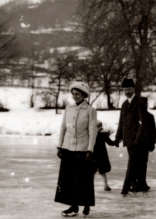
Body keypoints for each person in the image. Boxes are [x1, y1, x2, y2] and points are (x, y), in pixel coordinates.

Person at [55, 81, 97, 217]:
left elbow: (92, 131)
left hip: (83, 150)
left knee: (83, 179)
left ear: (84, 95)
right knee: (69, 180)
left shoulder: (90, 110)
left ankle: (86, 204)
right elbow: (63, 128)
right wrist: (60, 146)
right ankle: (73, 206)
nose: (75, 96)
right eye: (73, 94)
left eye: (77, 94)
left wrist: (90, 149)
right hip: (68, 149)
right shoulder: (68, 108)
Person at [114, 78, 147, 196]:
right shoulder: (124, 104)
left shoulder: (139, 103)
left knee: (132, 164)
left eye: (129, 89)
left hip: (137, 141)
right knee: (135, 163)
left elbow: (143, 123)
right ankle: (139, 185)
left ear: (134, 89)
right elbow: (121, 123)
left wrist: (138, 139)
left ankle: (125, 188)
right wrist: (118, 138)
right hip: (128, 140)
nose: (127, 91)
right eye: (124, 89)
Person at [130, 97, 156, 193]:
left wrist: (152, 143)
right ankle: (134, 183)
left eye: (145, 104)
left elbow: (153, 131)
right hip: (135, 144)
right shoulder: (134, 116)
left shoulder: (149, 116)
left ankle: (141, 183)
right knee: (135, 164)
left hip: (145, 144)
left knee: (142, 164)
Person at [93, 120, 116, 191]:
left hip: (95, 155)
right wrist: (117, 141)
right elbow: (111, 143)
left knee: (95, 172)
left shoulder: (93, 135)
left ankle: (105, 186)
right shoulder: (101, 135)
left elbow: (111, 143)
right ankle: (106, 186)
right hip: (99, 155)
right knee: (99, 172)